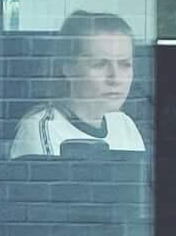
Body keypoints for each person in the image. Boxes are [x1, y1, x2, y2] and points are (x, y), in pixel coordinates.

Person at [10, 9, 146, 157]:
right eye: (100, 64)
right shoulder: (43, 129)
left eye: (125, 64)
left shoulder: (125, 125)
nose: (116, 78)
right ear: (68, 68)